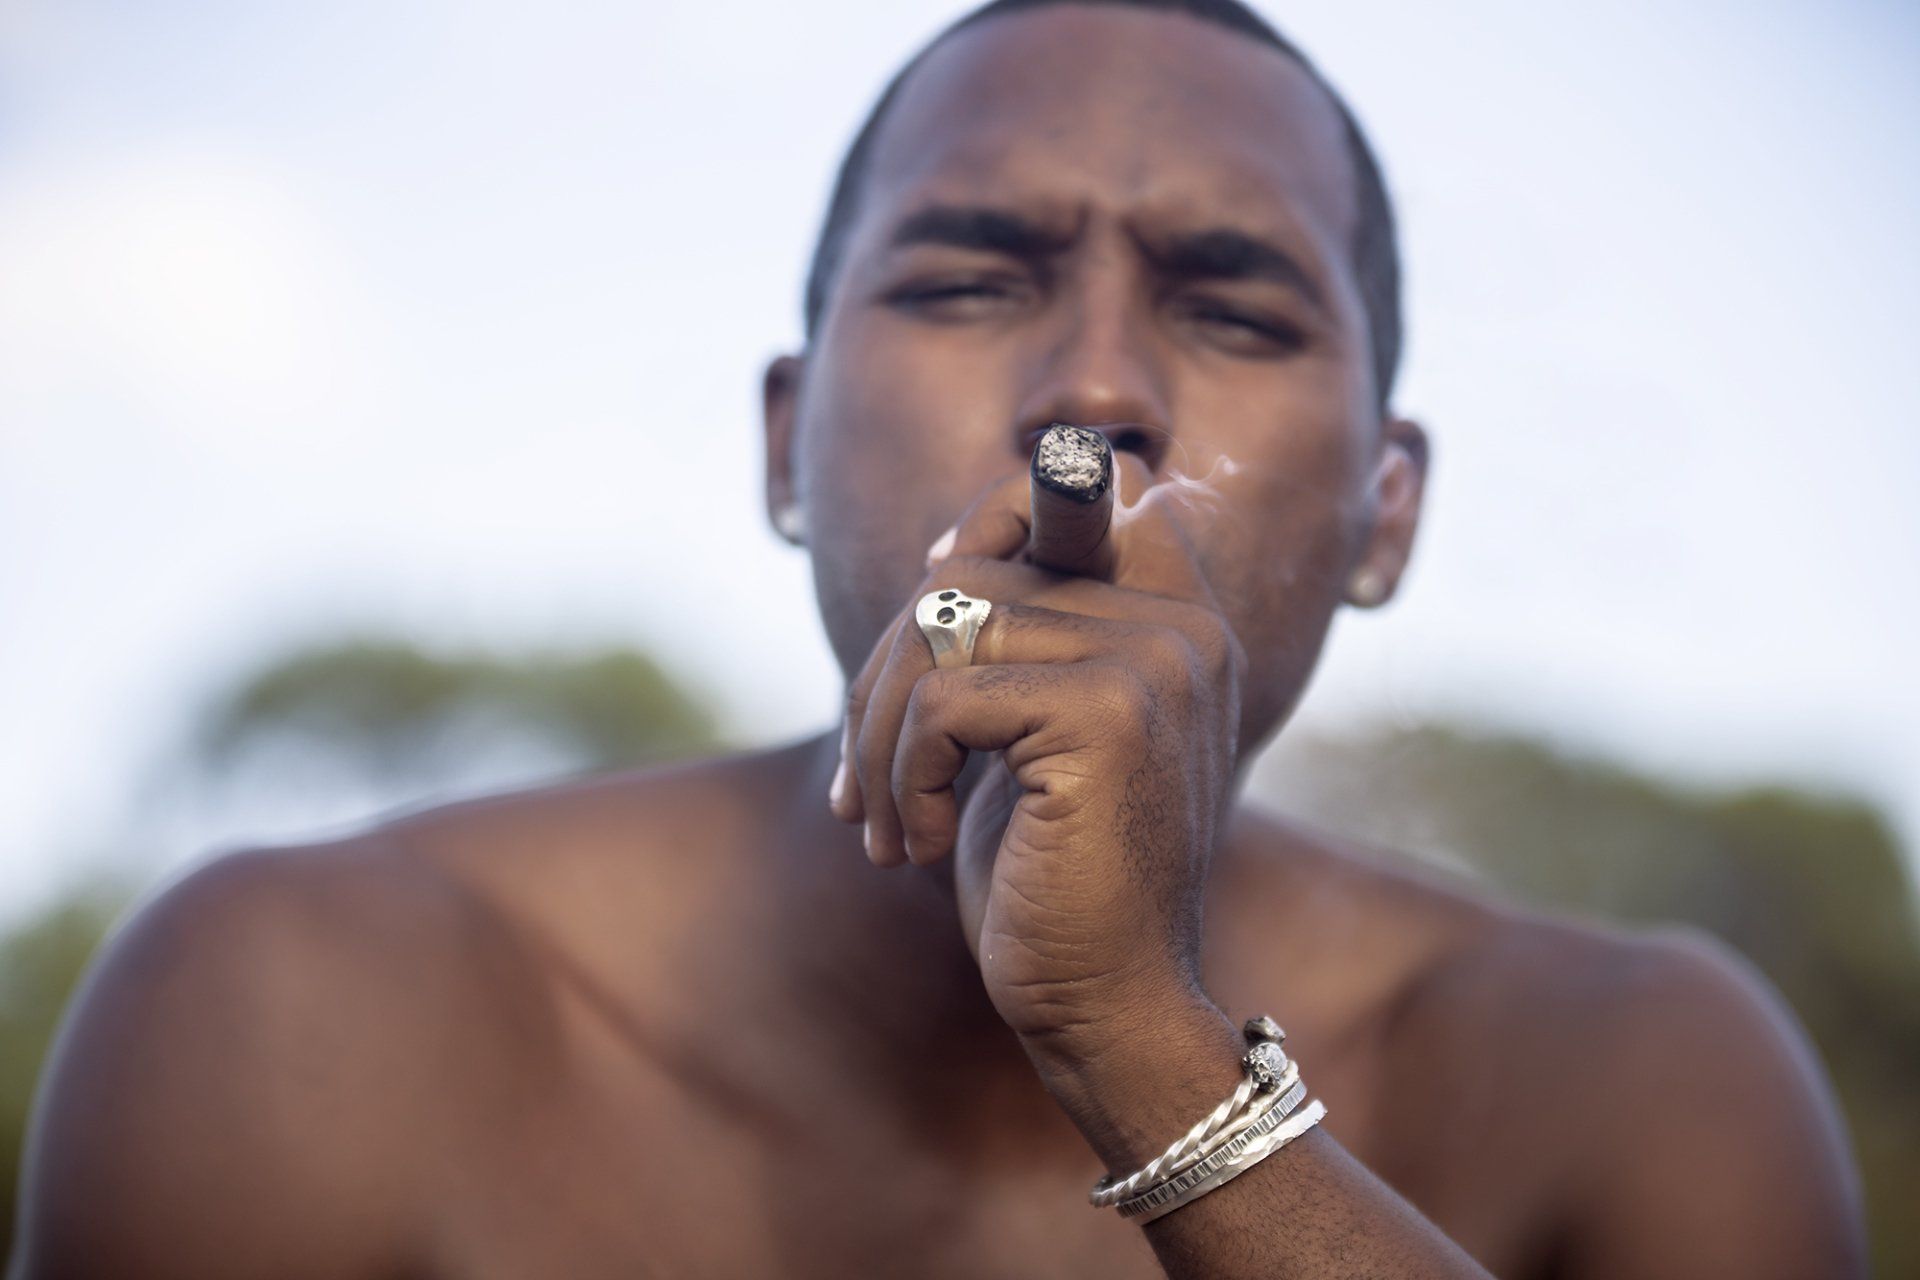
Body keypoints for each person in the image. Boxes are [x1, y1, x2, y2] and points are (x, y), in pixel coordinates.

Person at [11, 1, 1867, 1276]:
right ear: (784, 447)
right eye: (970, 282)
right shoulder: (304, 1010)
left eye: (1233, 313)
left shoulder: (1637, 1085)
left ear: (1388, 511)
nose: (1092, 394)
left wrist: (1141, 1043)